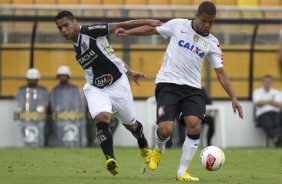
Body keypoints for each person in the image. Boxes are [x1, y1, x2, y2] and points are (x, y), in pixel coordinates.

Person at [116, 1, 243, 181]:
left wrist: (234, 98)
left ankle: (182, 171)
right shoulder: (178, 25)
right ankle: (158, 150)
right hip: (168, 84)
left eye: (211, 22)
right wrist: (128, 32)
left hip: (192, 89)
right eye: (204, 21)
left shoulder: (213, 43)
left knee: (194, 124)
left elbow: (221, 73)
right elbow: (152, 30)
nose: (207, 25)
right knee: (166, 130)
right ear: (196, 16)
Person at [55, 11, 162, 176]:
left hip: (118, 85)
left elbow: (120, 26)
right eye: (60, 28)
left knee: (131, 125)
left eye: (66, 25)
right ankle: (110, 159)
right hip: (95, 88)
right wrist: (131, 71)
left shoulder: (90, 32)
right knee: (102, 118)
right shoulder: (75, 44)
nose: (63, 30)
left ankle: (144, 147)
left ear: (75, 22)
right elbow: (109, 53)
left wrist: (148, 21)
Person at [50, 65, 87, 147]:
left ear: (68, 76)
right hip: (60, 117)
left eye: (64, 76)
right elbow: (52, 103)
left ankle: (79, 146)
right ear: (58, 77)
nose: (62, 78)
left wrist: (79, 108)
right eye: (61, 76)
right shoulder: (55, 90)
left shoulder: (75, 89)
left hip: (74, 116)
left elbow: (81, 102)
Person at [15, 68, 49, 147]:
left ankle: (39, 148)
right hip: (25, 116)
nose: (32, 81)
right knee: (25, 135)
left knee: (39, 134)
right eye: (30, 79)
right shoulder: (21, 90)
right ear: (27, 79)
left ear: (37, 79)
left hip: (38, 116)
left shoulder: (43, 90)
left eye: (34, 79)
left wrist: (43, 107)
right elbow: (18, 102)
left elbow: (46, 101)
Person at [253, 75, 282, 147]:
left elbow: (279, 104)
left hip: (276, 113)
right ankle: (277, 137)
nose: (267, 83)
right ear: (262, 82)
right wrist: (271, 101)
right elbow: (258, 103)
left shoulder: (277, 92)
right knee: (268, 123)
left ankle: (277, 138)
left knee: (278, 123)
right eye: (265, 81)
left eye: (268, 81)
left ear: (271, 82)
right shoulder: (257, 92)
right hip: (263, 114)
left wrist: (265, 102)